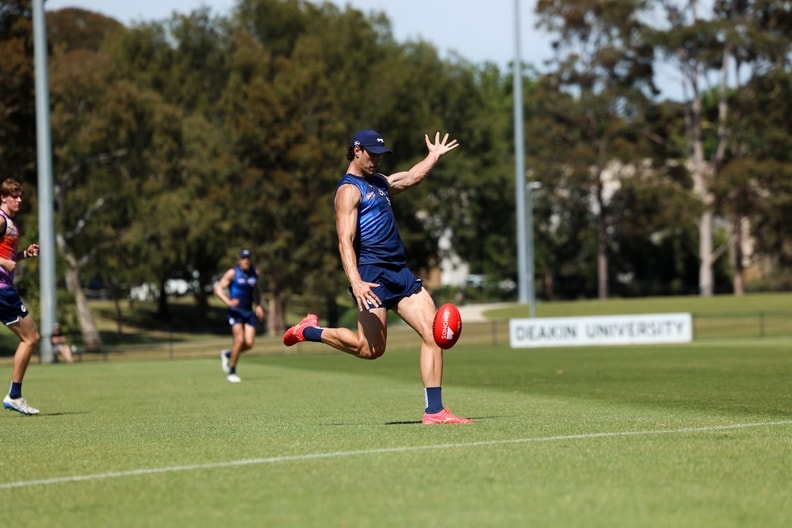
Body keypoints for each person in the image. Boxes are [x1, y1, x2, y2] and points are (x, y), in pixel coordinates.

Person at [283, 129, 473, 425]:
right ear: (357, 150)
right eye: (372, 154)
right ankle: (309, 331)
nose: (377, 160)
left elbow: (411, 177)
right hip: (372, 275)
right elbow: (344, 241)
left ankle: (434, 411)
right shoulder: (349, 191)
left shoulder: (380, 183)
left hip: (399, 271)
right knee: (370, 349)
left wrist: (433, 157)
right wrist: (356, 281)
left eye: (380, 155)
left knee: (433, 332)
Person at [0, 178, 41, 415]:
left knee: (30, 338)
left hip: (4, 290)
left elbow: (9, 258)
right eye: (14, 196)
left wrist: (24, 254)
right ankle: (14, 395)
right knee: (31, 337)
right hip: (2, 291)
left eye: (20, 196)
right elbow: (4, 261)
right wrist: (3, 262)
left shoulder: (11, 223)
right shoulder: (1, 220)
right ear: (3, 197)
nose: (19, 200)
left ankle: (15, 395)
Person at [214, 249, 266, 383]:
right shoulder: (233, 273)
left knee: (249, 344)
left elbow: (257, 291)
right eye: (243, 258)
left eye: (248, 258)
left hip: (248, 312)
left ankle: (228, 354)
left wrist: (258, 305)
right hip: (235, 312)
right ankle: (231, 372)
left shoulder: (255, 273)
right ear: (239, 260)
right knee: (240, 341)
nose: (246, 261)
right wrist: (228, 302)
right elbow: (218, 289)